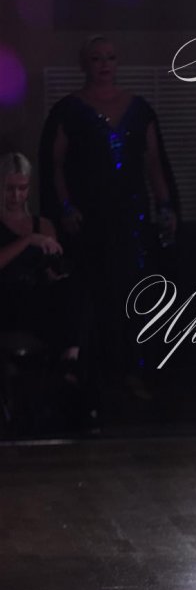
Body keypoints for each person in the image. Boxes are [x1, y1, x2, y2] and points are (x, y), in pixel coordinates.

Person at [39, 35, 178, 395]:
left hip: (130, 218)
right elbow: (54, 165)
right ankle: (86, 375)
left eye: (110, 57)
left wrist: (165, 207)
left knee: (132, 294)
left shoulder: (139, 108)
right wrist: (65, 207)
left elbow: (154, 163)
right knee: (88, 294)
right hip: (87, 220)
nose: (104, 64)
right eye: (97, 58)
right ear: (85, 64)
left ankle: (132, 371)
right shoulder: (69, 109)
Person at [0, 152, 87, 428]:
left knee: (72, 288)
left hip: (38, 298)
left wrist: (54, 265)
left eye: (22, 188)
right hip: (6, 300)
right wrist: (28, 241)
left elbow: (51, 275)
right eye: (10, 189)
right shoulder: (27, 232)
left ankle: (71, 363)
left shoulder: (43, 225)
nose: (16, 196)